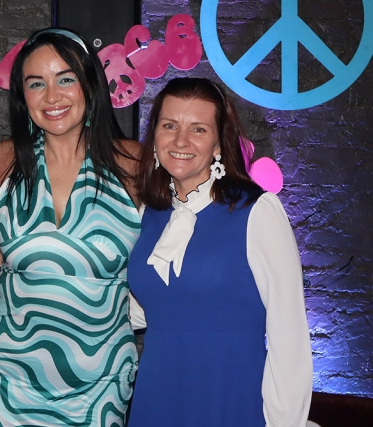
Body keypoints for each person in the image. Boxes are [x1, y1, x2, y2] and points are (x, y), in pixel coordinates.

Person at [0, 28, 142, 426]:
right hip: (3, 378)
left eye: (65, 79)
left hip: (100, 384)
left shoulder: (133, 164)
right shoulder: (3, 162)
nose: (52, 97)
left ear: (90, 84)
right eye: (36, 84)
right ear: (23, 96)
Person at [127, 77, 313, 426]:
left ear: (217, 144)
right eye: (169, 126)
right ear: (155, 137)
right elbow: (141, 308)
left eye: (198, 129)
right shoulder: (148, 213)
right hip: (157, 394)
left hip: (230, 396)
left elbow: (288, 335)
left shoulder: (257, 212)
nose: (181, 140)